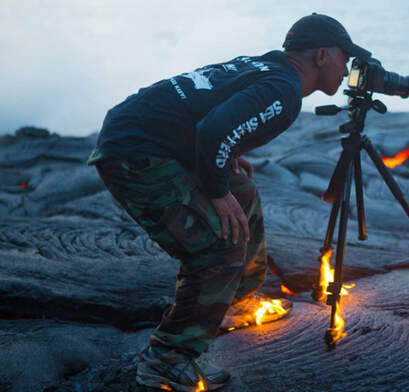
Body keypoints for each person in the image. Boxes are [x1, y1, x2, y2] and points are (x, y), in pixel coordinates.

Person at [87, 13, 370, 392]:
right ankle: (167, 361)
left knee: (243, 191)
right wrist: (217, 191)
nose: (347, 66)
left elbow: (211, 112)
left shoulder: (267, 65)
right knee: (219, 248)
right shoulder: (284, 91)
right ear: (321, 56)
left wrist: (224, 157)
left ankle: (232, 296)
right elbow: (213, 129)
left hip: (145, 135)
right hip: (135, 154)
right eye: (344, 56)